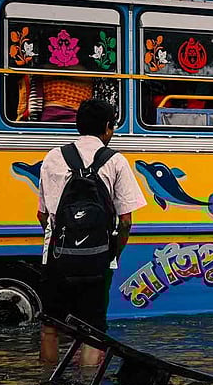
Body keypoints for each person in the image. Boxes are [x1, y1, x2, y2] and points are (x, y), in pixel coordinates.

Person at [37, 99, 146, 366]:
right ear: (108, 128)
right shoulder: (116, 161)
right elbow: (126, 222)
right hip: (97, 258)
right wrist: (113, 254)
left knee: (50, 326)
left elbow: (42, 214)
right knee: (92, 332)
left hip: (58, 257)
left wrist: (60, 243)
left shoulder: (53, 156)